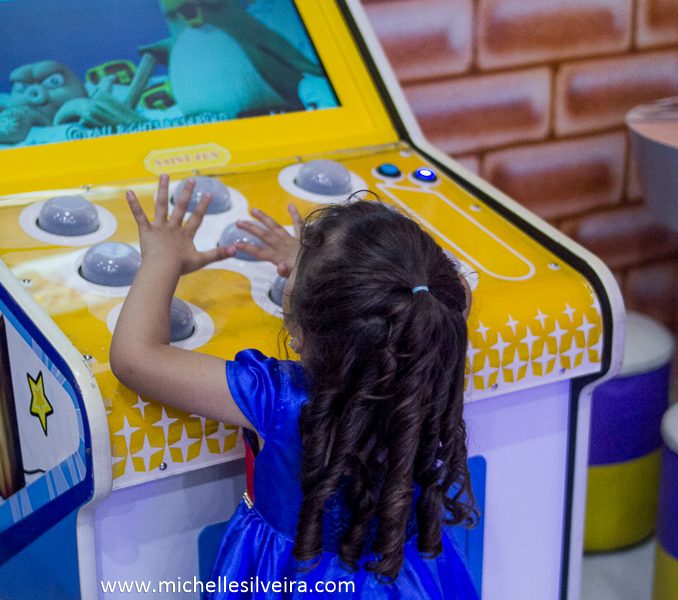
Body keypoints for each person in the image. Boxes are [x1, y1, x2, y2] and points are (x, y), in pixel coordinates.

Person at [111, 175, 480, 598]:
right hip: (405, 577)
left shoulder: (275, 396)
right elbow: (447, 290)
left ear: (302, 335)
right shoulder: (430, 333)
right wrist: (329, 274)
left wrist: (161, 258)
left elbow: (134, 357)